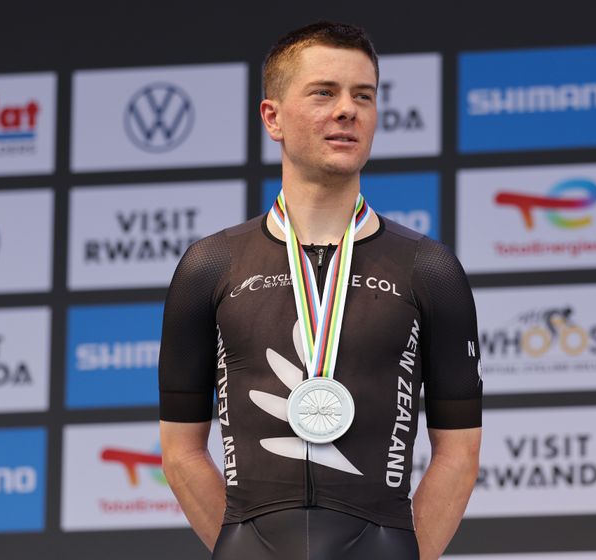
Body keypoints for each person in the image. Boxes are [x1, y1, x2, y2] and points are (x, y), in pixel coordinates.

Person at [158, 21, 482, 560]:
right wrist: (244, 546)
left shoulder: (430, 269)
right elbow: (180, 451)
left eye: (364, 95)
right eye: (324, 93)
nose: (347, 110)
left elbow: (459, 454)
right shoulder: (209, 266)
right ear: (273, 118)